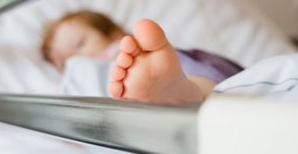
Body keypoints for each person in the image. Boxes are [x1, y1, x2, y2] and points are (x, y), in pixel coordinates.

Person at [41, 10, 243, 104]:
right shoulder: (78, 83)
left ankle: (187, 92)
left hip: (177, 72)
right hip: (129, 100)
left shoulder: (128, 55)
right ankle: (175, 98)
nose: (77, 59)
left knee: (167, 66)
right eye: (64, 62)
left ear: (114, 35)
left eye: (79, 44)